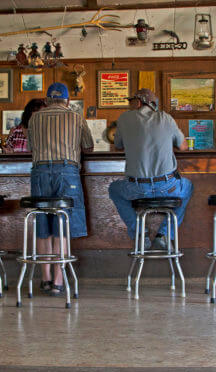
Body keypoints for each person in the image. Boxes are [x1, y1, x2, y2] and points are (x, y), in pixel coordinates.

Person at [27, 82, 93, 296]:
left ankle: (45, 277)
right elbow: (89, 145)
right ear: (68, 101)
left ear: (46, 100)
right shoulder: (75, 117)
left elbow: (30, 147)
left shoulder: (34, 118)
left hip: (39, 173)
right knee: (62, 224)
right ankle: (58, 279)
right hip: (67, 172)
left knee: (43, 225)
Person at [108, 88, 192, 250]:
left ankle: (140, 232)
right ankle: (164, 234)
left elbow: (117, 145)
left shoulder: (125, 118)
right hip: (167, 187)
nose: (130, 105)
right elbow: (183, 146)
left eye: (132, 102)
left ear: (139, 102)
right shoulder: (166, 118)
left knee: (114, 189)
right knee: (188, 186)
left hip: (136, 188)